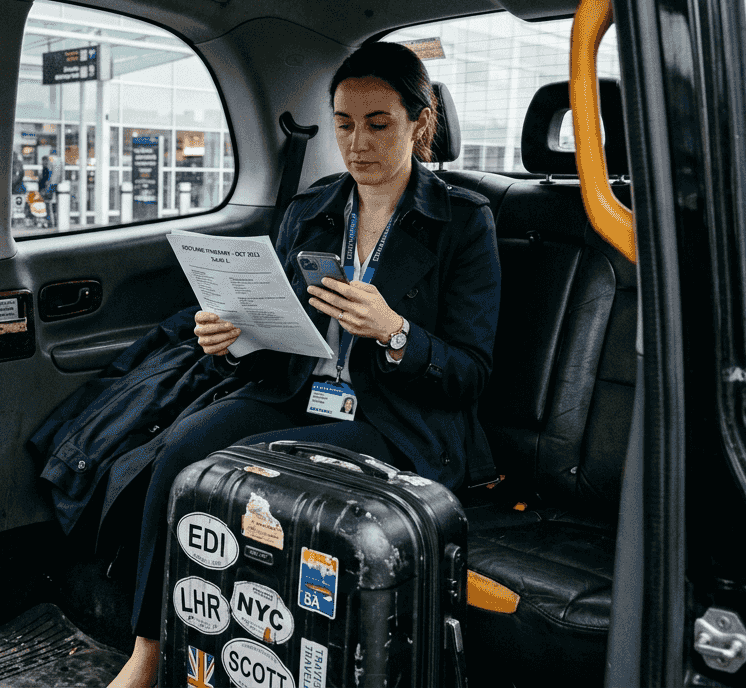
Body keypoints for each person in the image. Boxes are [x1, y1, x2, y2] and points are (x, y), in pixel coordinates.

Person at [106, 41, 502, 688]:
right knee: (183, 448)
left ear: (419, 122)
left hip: (393, 417)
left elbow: (472, 371)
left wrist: (396, 332)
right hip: (298, 390)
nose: (358, 143)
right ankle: (150, 650)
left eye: (379, 124)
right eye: (344, 124)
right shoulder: (311, 210)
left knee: (247, 468)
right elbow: (277, 336)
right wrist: (233, 337)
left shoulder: (463, 224)